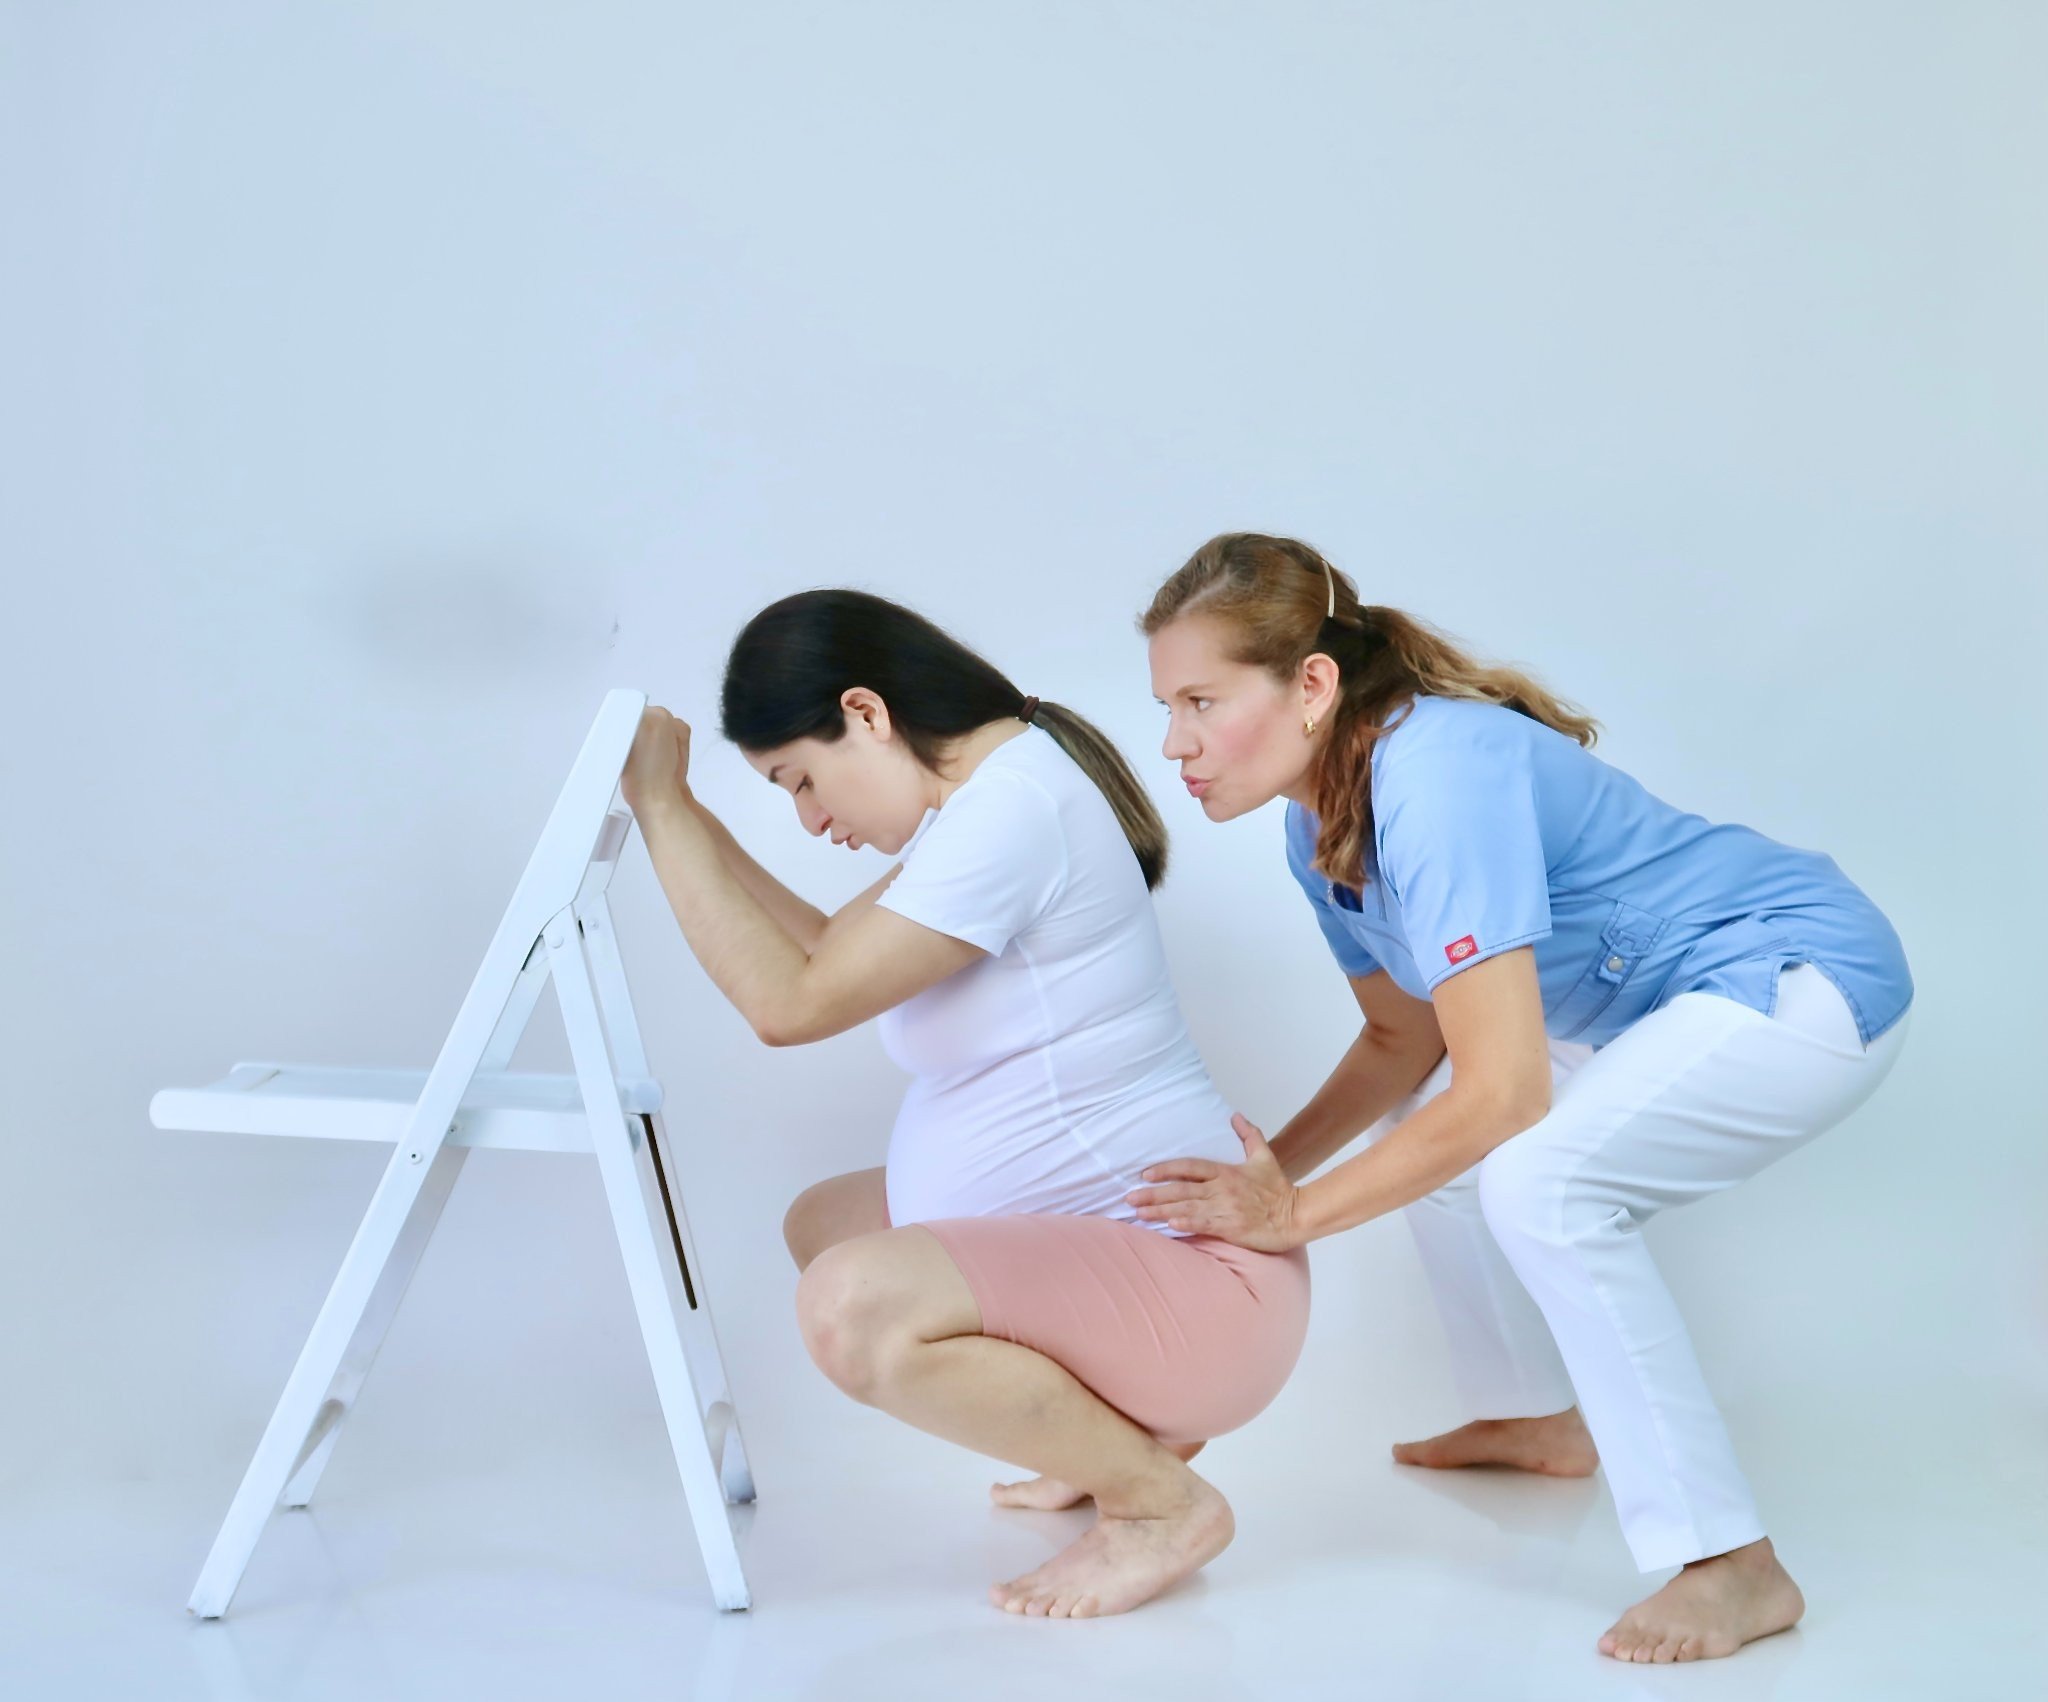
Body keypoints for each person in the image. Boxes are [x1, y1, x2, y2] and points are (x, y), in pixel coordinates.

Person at [1129, 532, 1914, 1664]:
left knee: (1540, 1180)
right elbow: (1402, 1039)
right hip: (1668, 1005)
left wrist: (1290, 1219)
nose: (1175, 743)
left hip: (1799, 977)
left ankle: (1729, 1564)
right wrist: (1275, 1171)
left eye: (1200, 701)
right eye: (1168, 707)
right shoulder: (1313, 828)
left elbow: (1502, 1093)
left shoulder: (1434, 774)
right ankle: (1539, 1417)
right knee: (1431, 1139)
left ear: (1311, 685)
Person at [618, 587, 1311, 1620]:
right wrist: (686, 816)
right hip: (1152, 1269)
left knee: (853, 1306)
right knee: (829, 1222)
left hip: (1203, 1292)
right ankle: (1109, 1437)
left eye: (802, 780)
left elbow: (786, 1003)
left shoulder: (1012, 812)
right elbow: (819, 949)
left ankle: (1157, 1499)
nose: (811, 817)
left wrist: (661, 809)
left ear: (864, 713)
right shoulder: (987, 803)